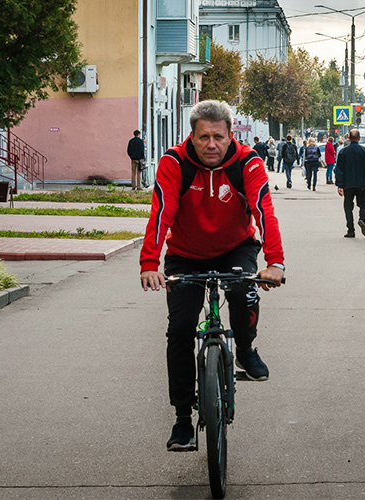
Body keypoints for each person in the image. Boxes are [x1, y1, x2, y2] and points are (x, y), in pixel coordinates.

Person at [139, 100, 285, 451]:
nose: (211, 145)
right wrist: (149, 263)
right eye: (203, 137)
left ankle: (246, 349)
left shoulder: (247, 161)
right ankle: (182, 420)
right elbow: (162, 211)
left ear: (230, 134)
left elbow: (263, 208)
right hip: (185, 255)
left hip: (236, 247)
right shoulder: (175, 162)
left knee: (242, 291)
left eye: (218, 137)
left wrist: (275, 262)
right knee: (180, 330)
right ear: (192, 135)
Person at [335, 129, 365, 238]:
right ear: (358, 138)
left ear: (348, 138)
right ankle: (362, 219)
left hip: (348, 184)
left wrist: (340, 185)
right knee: (364, 204)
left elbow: (339, 170)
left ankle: (350, 230)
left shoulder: (343, 152)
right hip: (362, 184)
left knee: (348, 206)